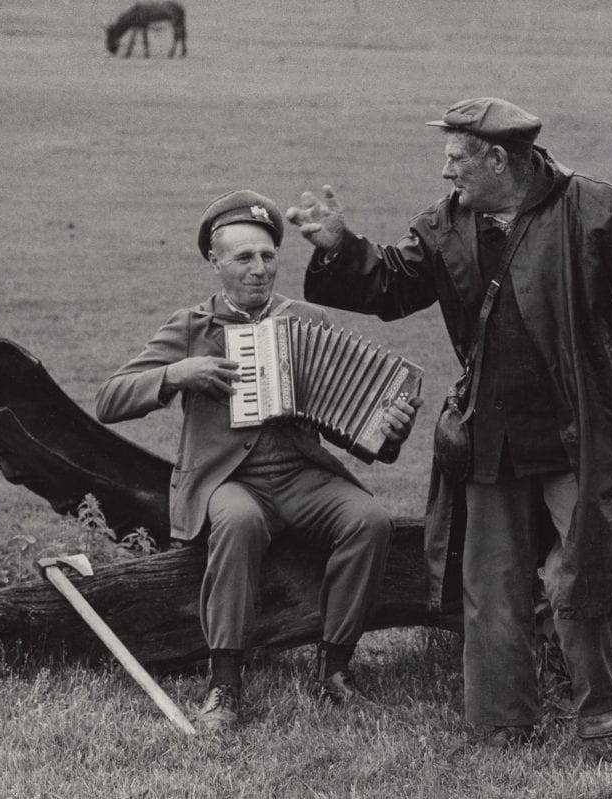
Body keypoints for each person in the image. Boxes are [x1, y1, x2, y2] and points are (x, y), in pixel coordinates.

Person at [286, 98, 612, 745]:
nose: (446, 171)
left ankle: (601, 713)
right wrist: (340, 248)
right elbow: (393, 283)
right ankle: (503, 721)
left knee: (586, 575)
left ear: (498, 159)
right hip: (492, 436)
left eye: (457, 159)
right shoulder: (446, 224)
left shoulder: (592, 206)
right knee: (492, 586)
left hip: (579, 436)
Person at [95, 190, 421, 731]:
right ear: (215, 263)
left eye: (268, 256)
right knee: (240, 521)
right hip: (227, 480)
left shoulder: (305, 319)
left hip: (301, 475)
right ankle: (225, 684)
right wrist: (177, 375)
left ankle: (336, 669)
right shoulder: (191, 327)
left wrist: (390, 433)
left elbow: (354, 423)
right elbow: (109, 398)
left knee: (370, 522)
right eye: (243, 258)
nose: (258, 269)